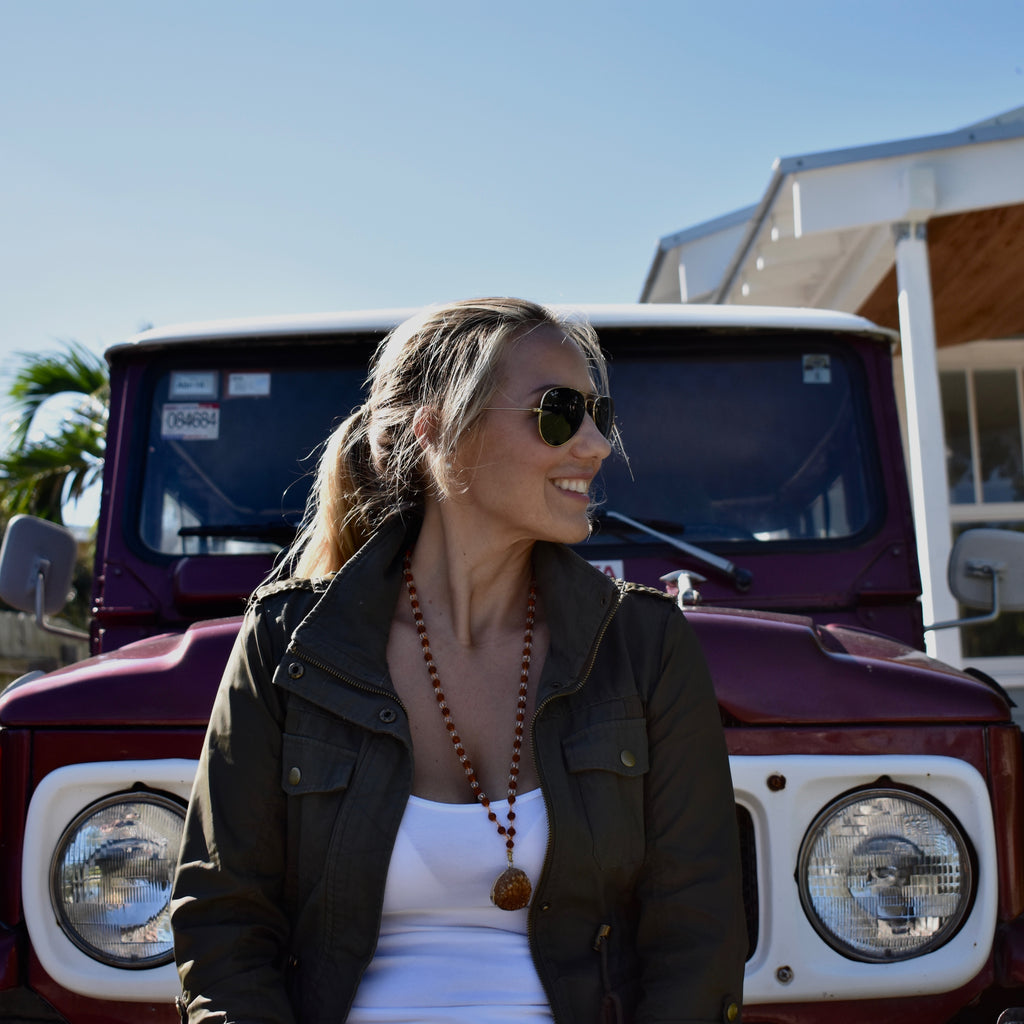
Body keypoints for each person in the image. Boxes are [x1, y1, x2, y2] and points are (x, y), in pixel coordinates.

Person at [170, 297, 747, 1024]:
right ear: (437, 427)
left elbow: (697, 932)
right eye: (560, 411)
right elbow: (224, 919)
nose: (597, 446)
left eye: (602, 416)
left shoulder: (644, 645)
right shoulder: (289, 641)